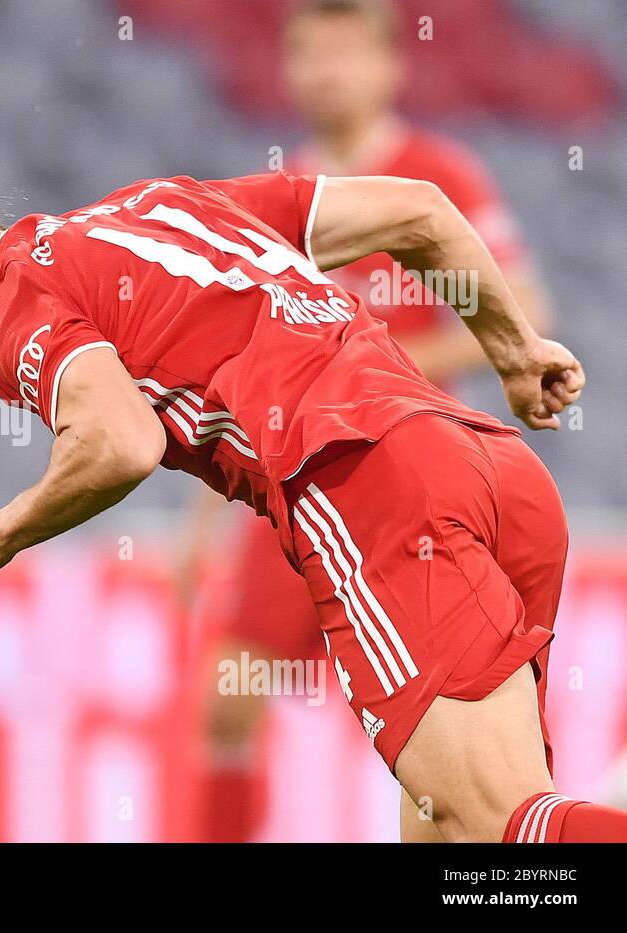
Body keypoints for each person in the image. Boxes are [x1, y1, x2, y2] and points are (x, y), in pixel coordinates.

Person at [0, 149, 616, 842]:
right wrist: (514, 351)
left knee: (499, 826)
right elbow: (420, 214)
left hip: (369, 483)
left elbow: (121, 440)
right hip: (494, 469)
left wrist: (3, 529)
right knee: (455, 839)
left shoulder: (3, 304)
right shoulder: (163, 208)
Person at [175, 0, 554, 842]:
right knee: (225, 702)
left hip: (405, 487)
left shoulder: (433, 179)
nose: (325, 72)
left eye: (344, 54)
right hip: (296, 490)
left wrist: (383, 370)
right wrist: (206, 516)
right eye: (308, 54)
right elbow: (236, 368)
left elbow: (522, 306)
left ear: (390, 67)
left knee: (435, 746)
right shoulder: (281, 197)